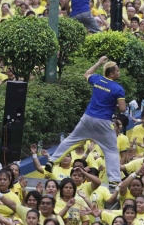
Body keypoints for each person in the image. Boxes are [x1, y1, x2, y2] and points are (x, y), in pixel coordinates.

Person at [43, 56, 126, 186]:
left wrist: (98, 63)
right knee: (111, 150)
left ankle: (52, 161)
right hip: (104, 122)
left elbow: (86, 74)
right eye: (117, 70)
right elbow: (122, 109)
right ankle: (114, 180)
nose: (119, 72)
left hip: (87, 118)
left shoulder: (97, 79)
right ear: (111, 74)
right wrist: (114, 104)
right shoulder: (118, 88)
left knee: (71, 140)